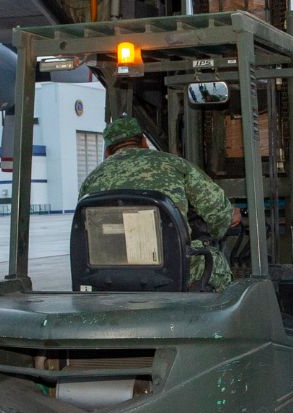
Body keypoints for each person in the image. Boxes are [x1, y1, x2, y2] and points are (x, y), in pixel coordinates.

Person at [79, 115, 241, 291]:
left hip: (107, 274)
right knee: (216, 262)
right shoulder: (175, 165)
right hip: (168, 268)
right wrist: (227, 220)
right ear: (143, 142)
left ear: (107, 152)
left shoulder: (91, 180)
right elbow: (219, 214)